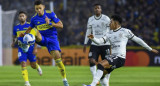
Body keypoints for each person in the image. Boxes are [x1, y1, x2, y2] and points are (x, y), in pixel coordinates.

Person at [83, 15, 159, 86]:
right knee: (102, 75)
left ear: (116, 23)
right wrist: (93, 38)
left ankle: (92, 85)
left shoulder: (125, 31)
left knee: (101, 64)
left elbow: (138, 40)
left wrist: (150, 49)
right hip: (113, 57)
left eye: (111, 22)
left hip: (120, 58)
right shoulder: (109, 33)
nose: (109, 24)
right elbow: (99, 41)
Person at [20, 0, 69, 86]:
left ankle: (64, 79)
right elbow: (30, 29)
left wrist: (50, 24)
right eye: (36, 9)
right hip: (41, 38)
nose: (38, 10)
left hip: (52, 39)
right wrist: (24, 35)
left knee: (58, 59)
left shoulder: (50, 14)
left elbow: (61, 25)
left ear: (43, 7)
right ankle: (26, 44)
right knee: (34, 30)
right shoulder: (34, 18)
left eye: (40, 8)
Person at [12, 11, 42, 86]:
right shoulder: (16, 27)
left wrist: (35, 48)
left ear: (26, 17)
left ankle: (37, 67)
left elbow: (34, 38)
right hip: (21, 48)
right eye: (20, 16)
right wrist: (13, 42)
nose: (21, 17)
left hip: (30, 48)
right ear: (18, 18)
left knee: (33, 65)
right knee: (23, 63)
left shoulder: (30, 26)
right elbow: (15, 37)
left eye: (23, 16)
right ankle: (27, 82)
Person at [83, 4, 111, 86]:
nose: (97, 9)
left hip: (105, 44)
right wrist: (85, 43)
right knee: (91, 61)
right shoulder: (90, 19)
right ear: (94, 10)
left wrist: (111, 42)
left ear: (101, 10)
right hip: (94, 44)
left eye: (98, 8)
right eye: (95, 8)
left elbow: (110, 31)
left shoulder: (106, 18)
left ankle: (107, 80)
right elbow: (88, 32)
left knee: (107, 64)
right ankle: (96, 80)